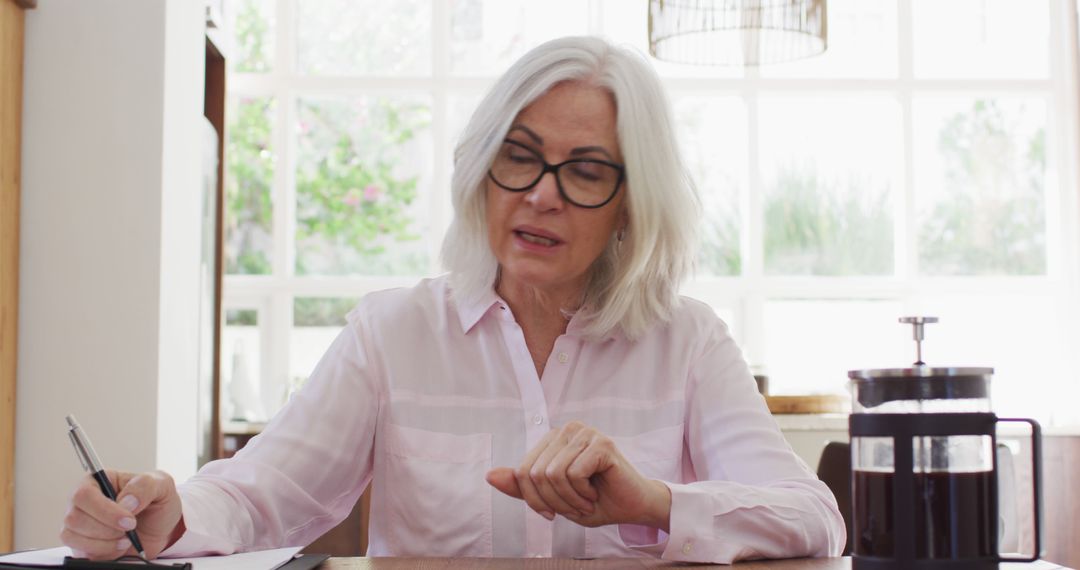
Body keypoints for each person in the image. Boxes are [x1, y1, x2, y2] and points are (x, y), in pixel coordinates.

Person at [61, 36, 845, 563]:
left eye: (586, 170)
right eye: (521, 157)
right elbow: (264, 490)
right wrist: (166, 513)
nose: (541, 196)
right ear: (482, 167)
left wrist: (653, 500)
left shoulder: (689, 341)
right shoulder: (393, 331)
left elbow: (813, 517)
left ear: (632, 204)